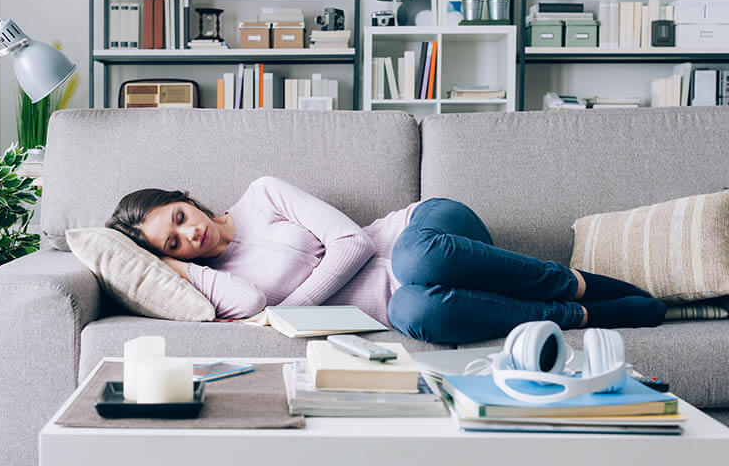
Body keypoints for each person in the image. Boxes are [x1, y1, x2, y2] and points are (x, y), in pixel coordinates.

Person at [106, 176, 666, 344]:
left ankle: (570, 283)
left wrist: (289, 315)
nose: (189, 234)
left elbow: (352, 244)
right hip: (401, 300)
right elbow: (252, 304)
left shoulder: (261, 195)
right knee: (419, 314)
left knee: (418, 262)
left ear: (183, 198)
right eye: (171, 245)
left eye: (178, 217)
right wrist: (185, 272)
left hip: (425, 233)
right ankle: (580, 316)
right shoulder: (217, 282)